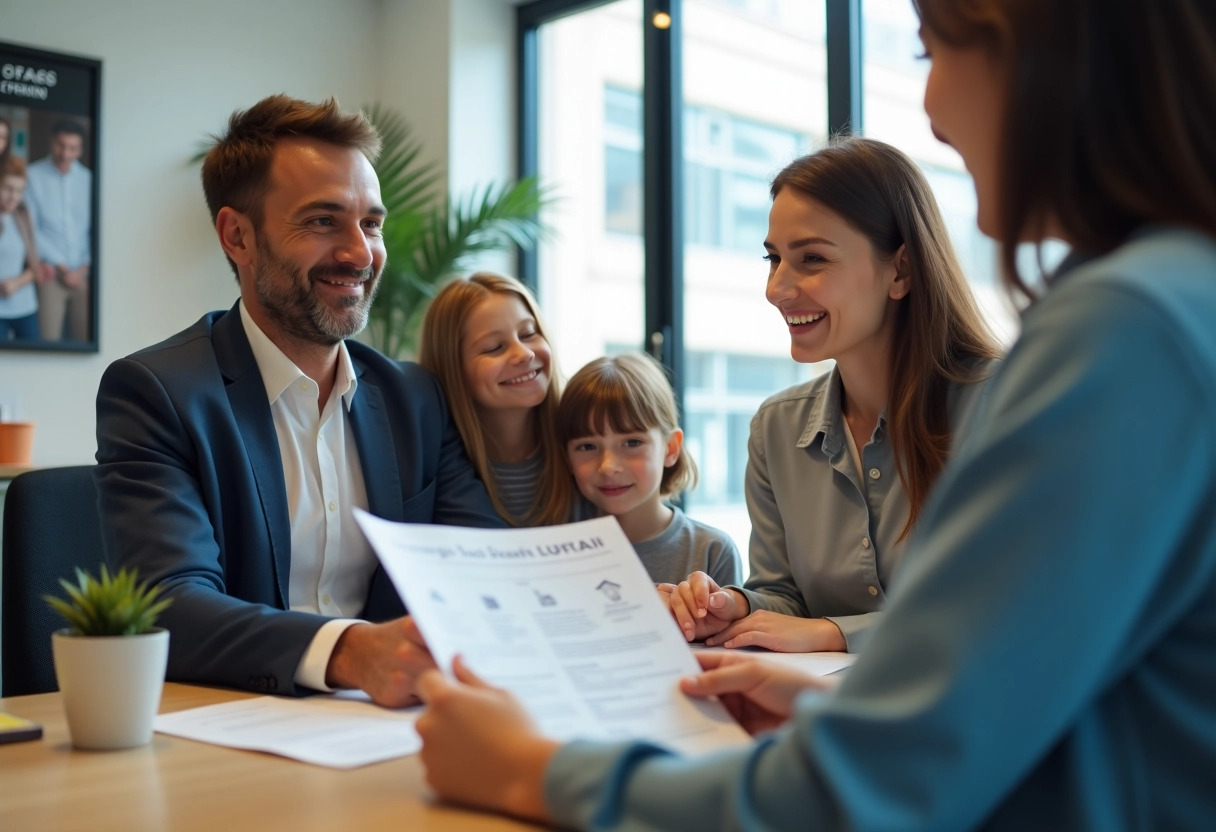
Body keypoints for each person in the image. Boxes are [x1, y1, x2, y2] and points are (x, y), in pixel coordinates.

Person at [412, 1, 1216, 828]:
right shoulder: (1170, 301)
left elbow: (872, 788)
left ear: (1036, 54)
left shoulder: (1125, 329)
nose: (932, 110)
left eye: (929, 50)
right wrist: (830, 700)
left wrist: (528, 770)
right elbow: (1053, 707)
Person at [94, 94, 503, 706]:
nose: (360, 254)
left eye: (371, 223)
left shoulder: (411, 398)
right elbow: (170, 605)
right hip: (231, 734)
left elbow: (483, 567)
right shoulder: (160, 394)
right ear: (238, 236)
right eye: (321, 221)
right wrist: (351, 652)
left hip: (396, 728)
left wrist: (635, 606)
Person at [664, 137, 1000, 653]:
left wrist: (834, 633)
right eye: (774, 259)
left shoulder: (1000, 405)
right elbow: (785, 595)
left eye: (812, 259)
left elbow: (1006, 602)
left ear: (901, 270)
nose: (777, 288)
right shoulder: (775, 428)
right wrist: (735, 607)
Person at [557, 353, 742, 587]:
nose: (608, 467)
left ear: (670, 447)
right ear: (567, 457)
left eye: (632, 443)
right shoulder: (554, 550)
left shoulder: (712, 552)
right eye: (587, 446)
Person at [418, 272, 578, 526]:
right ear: (453, 369)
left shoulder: (584, 436)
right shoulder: (431, 466)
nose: (523, 354)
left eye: (528, 334)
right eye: (494, 347)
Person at [24, 118, 91, 342]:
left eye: (72, 148)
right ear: (52, 142)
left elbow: (94, 230)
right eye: (61, 145)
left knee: (85, 340)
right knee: (48, 339)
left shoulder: (88, 180)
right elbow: (31, 228)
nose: (65, 153)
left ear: (80, 149)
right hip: (50, 272)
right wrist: (62, 267)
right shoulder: (32, 176)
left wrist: (82, 268)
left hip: (84, 274)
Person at [0, 156, 40, 340]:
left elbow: (35, 267)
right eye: (8, 189)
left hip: (25, 308)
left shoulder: (23, 215)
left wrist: (17, 282)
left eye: (19, 190)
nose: (14, 196)